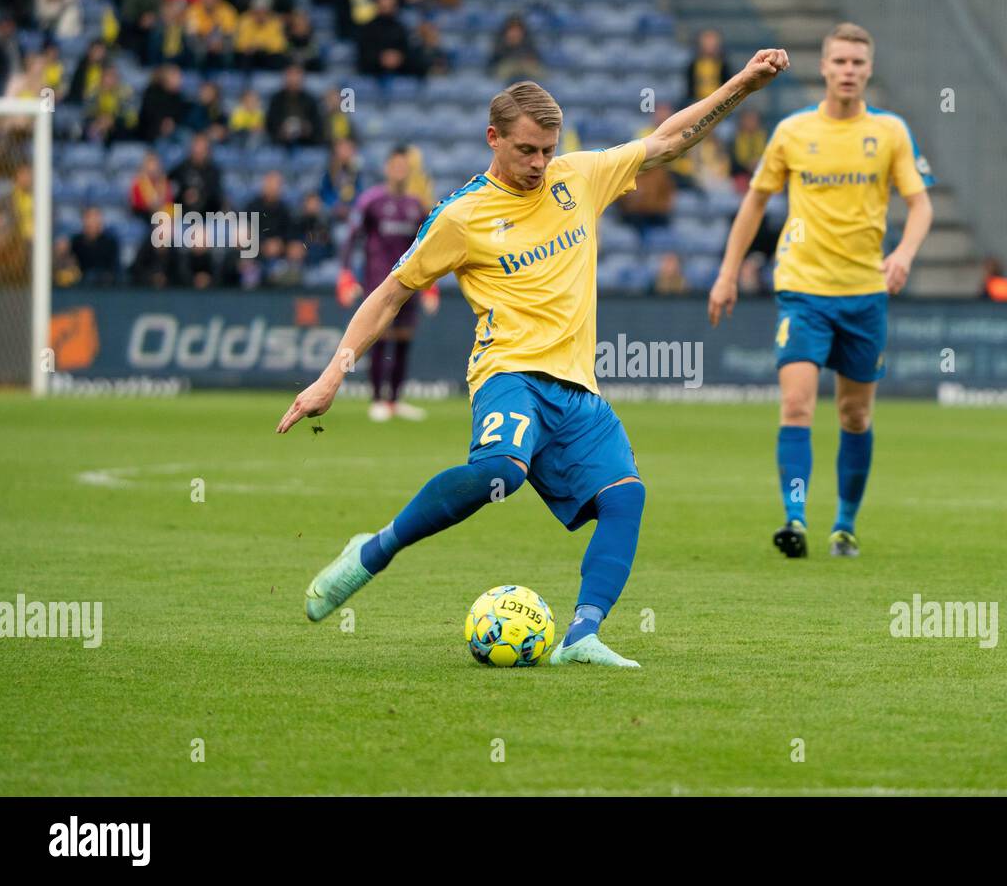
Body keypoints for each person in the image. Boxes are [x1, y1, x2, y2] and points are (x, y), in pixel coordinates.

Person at [277, 50, 790, 667]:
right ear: (493, 138)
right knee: (503, 473)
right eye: (526, 151)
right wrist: (334, 374)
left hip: (577, 387)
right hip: (509, 373)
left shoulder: (578, 176)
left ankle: (581, 636)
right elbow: (391, 293)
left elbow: (671, 139)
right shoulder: (461, 217)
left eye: (548, 149)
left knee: (625, 497)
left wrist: (745, 83)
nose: (540, 164)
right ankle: (374, 550)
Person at [708, 23, 934, 560]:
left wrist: (902, 255)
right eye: (840, 62)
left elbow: (921, 204)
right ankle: (795, 518)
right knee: (796, 404)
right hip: (802, 291)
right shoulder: (792, 132)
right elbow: (755, 202)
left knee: (855, 415)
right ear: (825, 68)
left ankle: (845, 526)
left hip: (863, 294)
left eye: (858, 63)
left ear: (868, 69)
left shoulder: (891, 134)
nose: (849, 71)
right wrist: (726, 272)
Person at [337, 147, 436, 422]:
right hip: (377, 282)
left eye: (404, 167)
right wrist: (346, 275)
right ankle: (377, 399)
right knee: (378, 336)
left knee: (404, 338)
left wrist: (431, 286)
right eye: (395, 166)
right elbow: (351, 238)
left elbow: (427, 248)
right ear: (387, 168)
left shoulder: (416, 205)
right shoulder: (371, 201)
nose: (400, 171)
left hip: (408, 282)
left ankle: (394, 400)